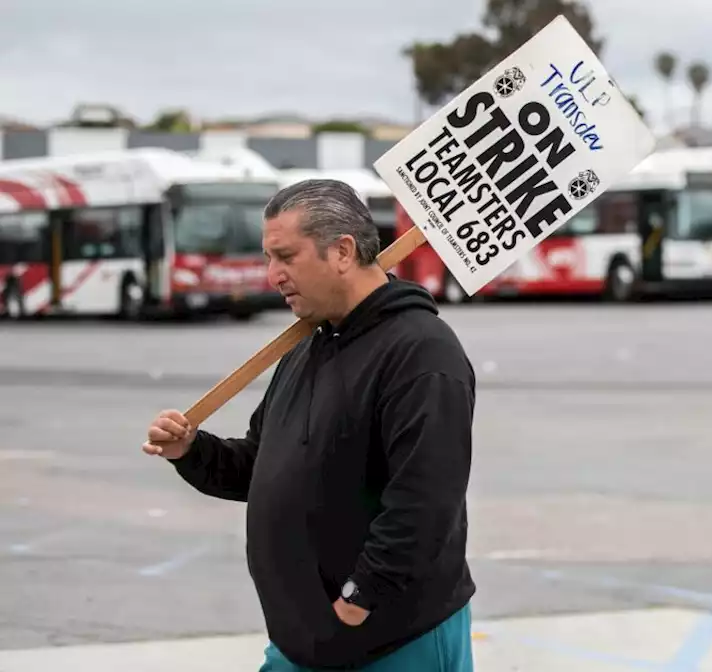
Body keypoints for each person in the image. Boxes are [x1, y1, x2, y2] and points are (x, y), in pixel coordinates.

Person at [142, 179, 476, 671]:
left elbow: (426, 499)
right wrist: (191, 451)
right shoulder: (307, 346)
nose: (272, 275)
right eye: (268, 258)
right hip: (304, 646)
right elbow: (260, 464)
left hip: (392, 642)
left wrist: (361, 596)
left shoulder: (422, 352)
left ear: (342, 251)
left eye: (286, 256)